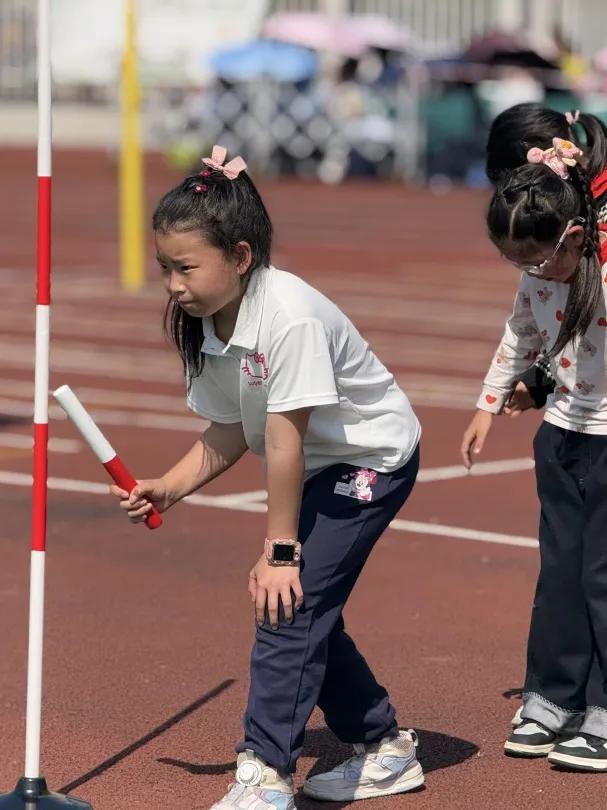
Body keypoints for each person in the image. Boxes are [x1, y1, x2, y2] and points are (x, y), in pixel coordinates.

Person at [110, 145, 425, 807]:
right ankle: (384, 746)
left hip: (369, 459)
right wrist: (170, 483)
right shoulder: (203, 320)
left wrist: (280, 553)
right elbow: (234, 427)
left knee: (288, 602)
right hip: (313, 463)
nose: (171, 284)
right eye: (164, 267)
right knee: (305, 608)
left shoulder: (290, 316)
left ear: (242, 257)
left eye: (185, 268)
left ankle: (264, 773)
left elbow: (283, 444)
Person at [461, 129, 607, 772]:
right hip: (562, 436)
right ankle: (552, 695)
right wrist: (488, 406)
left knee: (604, 578)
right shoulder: (537, 279)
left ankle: (603, 707)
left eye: (539, 261)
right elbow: (520, 335)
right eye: (517, 263)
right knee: (561, 571)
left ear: (575, 237)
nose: (531, 274)